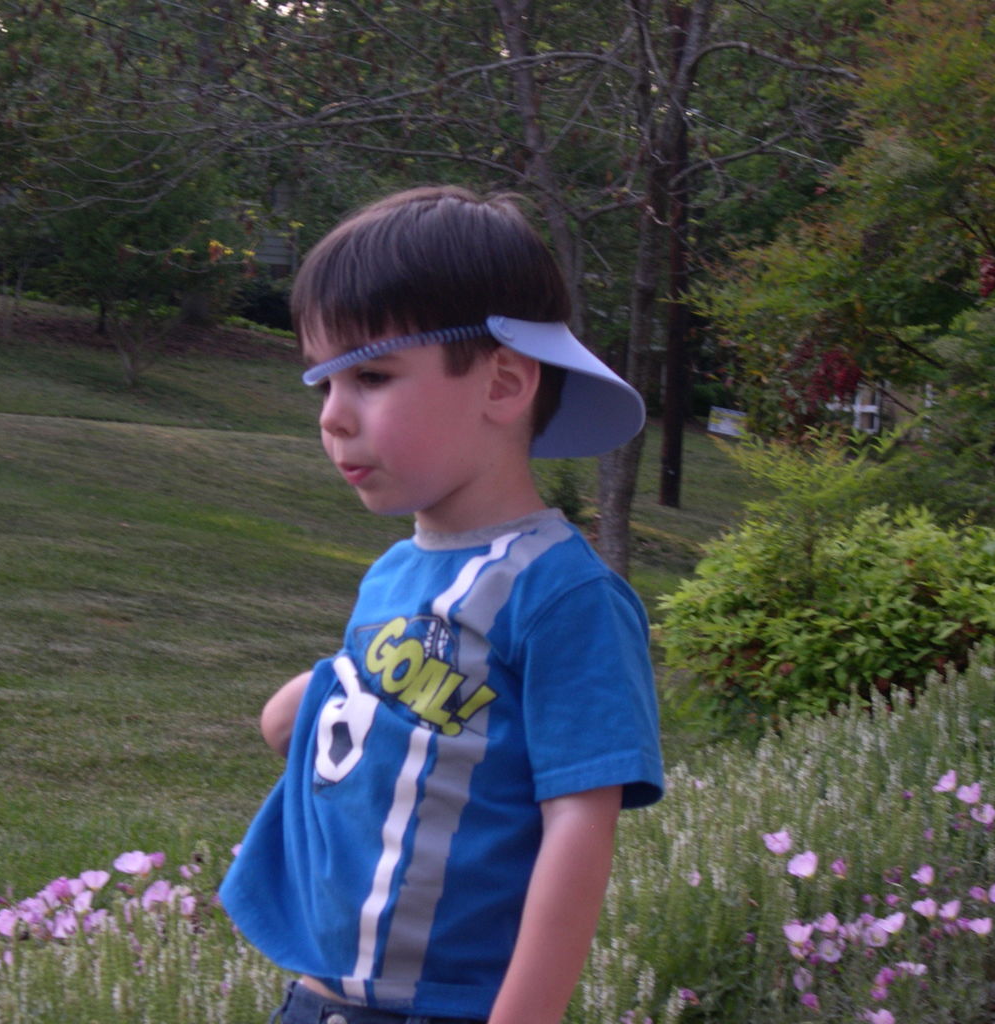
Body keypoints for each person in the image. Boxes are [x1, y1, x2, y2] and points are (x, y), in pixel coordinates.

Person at [219, 186, 664, 1024]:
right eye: (322, 384)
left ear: (501, 382)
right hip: (314, 1002)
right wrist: (306, 702)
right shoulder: (395, 572)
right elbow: (370, 697)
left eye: (372, 376)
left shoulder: (564, 597)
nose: (332, 417)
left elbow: (578, 829)